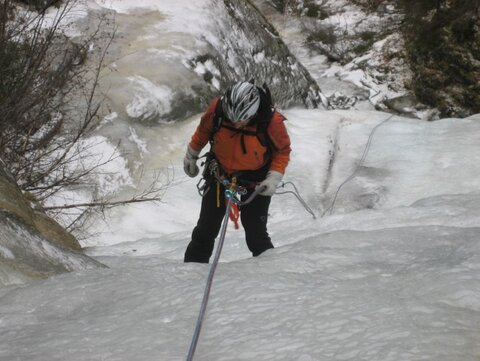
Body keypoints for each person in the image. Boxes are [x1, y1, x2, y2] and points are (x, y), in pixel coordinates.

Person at [183, 80, 291, 263]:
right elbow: (203, 131)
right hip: (219, 173)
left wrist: (273, 178)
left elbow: (282, 151)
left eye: (242, 120)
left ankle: (269, 271)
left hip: (255, 179)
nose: (237, 124)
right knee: (206, 228)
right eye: (233, 120)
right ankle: (192, 269)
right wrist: (191, 155)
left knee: (255, 230)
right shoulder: (218, 111)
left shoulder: (272, 122)